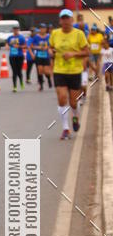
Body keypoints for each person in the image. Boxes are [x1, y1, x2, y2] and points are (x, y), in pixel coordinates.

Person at [49, 8, 89, 139]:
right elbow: (51, 47)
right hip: (59, 70)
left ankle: (76, 116)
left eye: (68, 18)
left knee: (73, 102)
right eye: (63, 18)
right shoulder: (55, 33)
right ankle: (65, 128)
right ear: (60, 21)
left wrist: (73, 54)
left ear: (72, 20)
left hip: (74, 71)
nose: (65, 21)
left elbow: (87, 52)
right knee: (61, 99)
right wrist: (50, 51)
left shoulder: (79, 34)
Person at [29, 23, 52, 90]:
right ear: (39, 29)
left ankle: (49, 79)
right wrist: (38, 47)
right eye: (41, 28)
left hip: (46, 56)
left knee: (46, 71)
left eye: (44, 28)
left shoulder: (49, 36)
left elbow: (51, 45)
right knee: (40, 70)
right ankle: (41, 85)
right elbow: (31, 46)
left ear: (46, 29)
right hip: (38, 56)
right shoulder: (36, 37)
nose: (42, 30)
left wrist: (47, 48)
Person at [7, 24, 26, 92]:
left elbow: (25, 46)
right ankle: (14, 87)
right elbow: (7, 44)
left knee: (19, 71)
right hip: (12, 57)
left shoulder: (21, 37)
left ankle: (21, 82)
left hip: (20, 56)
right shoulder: (10, 37)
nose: (15, 31)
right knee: (14, 71)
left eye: (17, 29)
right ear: (13, 30)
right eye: (14, 29)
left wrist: (19, 47)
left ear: (18, 30)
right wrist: (7, 46)